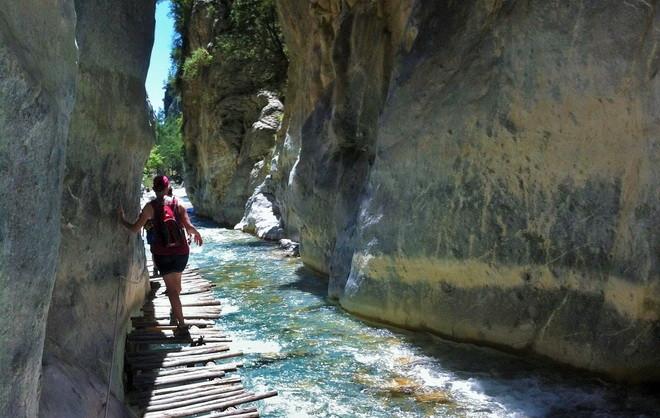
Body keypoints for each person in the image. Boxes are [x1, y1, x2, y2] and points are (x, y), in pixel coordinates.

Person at [119, 175, 203, 337]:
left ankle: (182, 326)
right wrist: (196, 233)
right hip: (181, 252)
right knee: (175, 288)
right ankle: (180, 320)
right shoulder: (178, 204)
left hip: (162, 253)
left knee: (172, 290)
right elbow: (189, 227)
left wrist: (121, 220)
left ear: (154, 188)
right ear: (167, 187)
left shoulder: (149, 207)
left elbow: (135, 228)